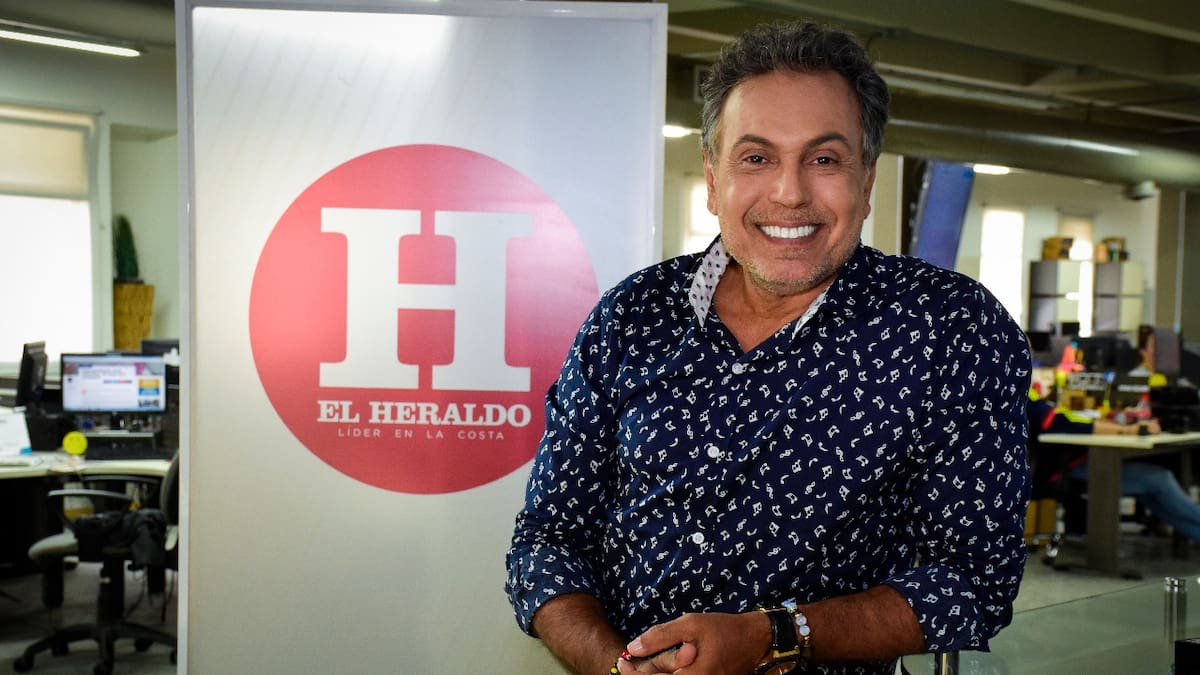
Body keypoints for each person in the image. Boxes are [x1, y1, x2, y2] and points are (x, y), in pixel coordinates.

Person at [506, 20, 1031, 675]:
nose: (789, 192)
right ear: (712, 179)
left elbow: (972, 582)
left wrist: (772, 635)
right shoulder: (632, 315)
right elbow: (548, 540)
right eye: (756, 158)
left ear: (867, 180)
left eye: (825, 159)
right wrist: (617, 665)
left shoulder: (947, 329)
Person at [1028, 392, 1200, 541]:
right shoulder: (1020, 387)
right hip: (1063, 468)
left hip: (1067, 462)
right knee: (1159, 479)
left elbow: (1064, 417)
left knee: (1151, 489)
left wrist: (1112, 423)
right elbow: (1058, 420)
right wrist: (1128, 430)